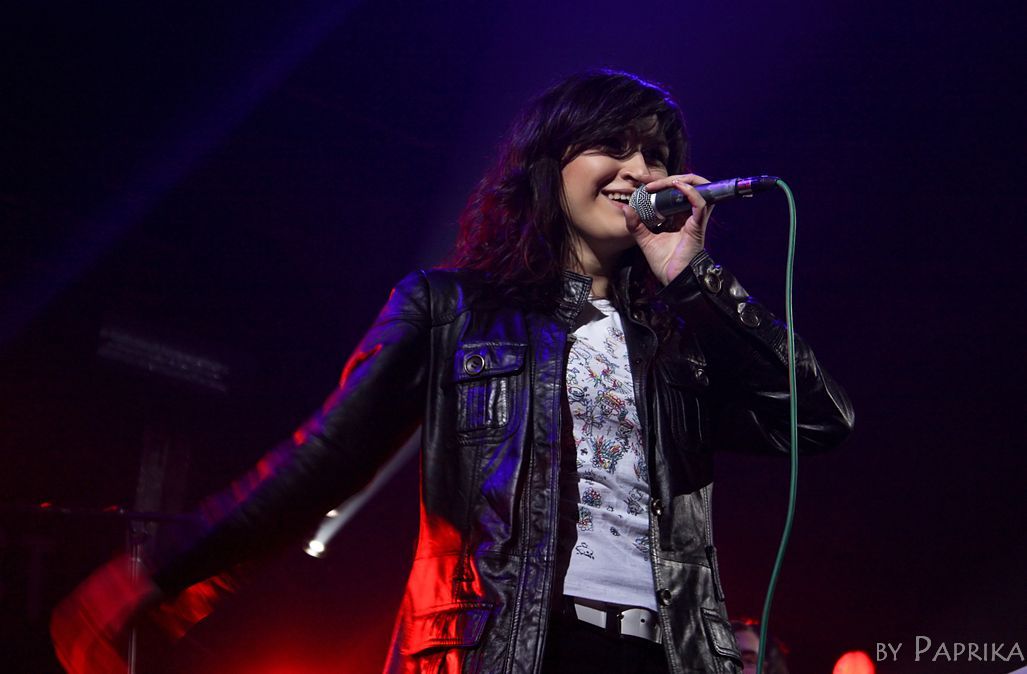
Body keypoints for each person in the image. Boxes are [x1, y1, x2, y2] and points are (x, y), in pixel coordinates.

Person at [51, 69, 854, 674]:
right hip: (505, 645)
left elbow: (818, 419)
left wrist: (694, 277)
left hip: (670, 653)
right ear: (547, 164)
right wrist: (163, 571)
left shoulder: (676, 342)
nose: (638, 170)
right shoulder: (450, 309)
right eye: (612, 146)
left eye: (655, 155)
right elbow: (324, 459)